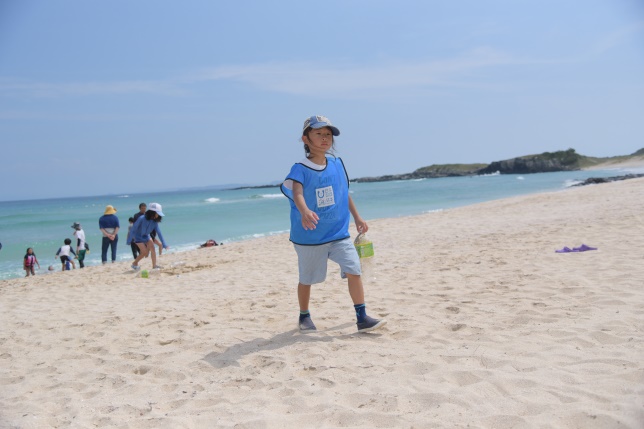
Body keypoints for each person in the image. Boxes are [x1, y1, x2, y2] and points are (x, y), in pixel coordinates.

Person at [280, 115, 386, 333]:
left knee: (354, 269)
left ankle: (362, 317)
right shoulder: (300, 168)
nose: (324, 138)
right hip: (310, 235)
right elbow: (297, 192)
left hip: (338, 233)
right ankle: (304, 315)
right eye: (318, 133)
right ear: (305, 139)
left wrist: (357, 217)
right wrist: (305, 211)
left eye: (328, 134)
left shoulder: (336, 164)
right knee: (307, 278)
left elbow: (343, 193)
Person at [127, 202, 169, 271]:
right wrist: (129, 240)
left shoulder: (155, 222)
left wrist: (164, 244)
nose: (158, 215)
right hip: (138, 236)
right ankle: (134, 263)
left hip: (146, 236)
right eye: (157, 213)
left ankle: (154, 266)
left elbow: (159, 233)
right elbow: (133, 229)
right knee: (144, 252)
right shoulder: (142, 218)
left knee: (152, 248)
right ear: (153, 212)